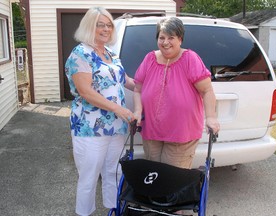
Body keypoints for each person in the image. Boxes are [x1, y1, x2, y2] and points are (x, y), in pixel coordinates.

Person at [65, 7, 135, 216]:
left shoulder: (111, 54)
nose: (106, 29)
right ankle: (84, 213)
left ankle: (113, 210)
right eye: (100, 24)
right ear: (89, 26)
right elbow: (86, 92)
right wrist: (119, 109)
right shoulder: (80, 53)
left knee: (114, 171)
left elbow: (127, 81)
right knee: (89, 175)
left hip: (116, 125)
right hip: (90, 127)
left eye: (109, 24)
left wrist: (150, 84)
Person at [133, 17, 220, 170]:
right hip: (152, 132)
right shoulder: (149, 59)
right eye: (161, 37)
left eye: (171, 37)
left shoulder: (190, 59)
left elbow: (207, 90)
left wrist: (211, 117)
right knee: (152, 176)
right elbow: (137, 89)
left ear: (180, 39)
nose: (165, 42)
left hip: (181, 134)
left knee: (172, 180)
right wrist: (138, 111)